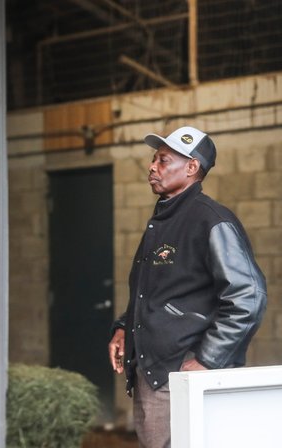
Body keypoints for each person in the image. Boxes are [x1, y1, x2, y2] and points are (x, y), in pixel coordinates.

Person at [108, 126, 267, 448]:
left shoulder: (210, 220)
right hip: (154, 370)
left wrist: (208, 359)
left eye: (164, 161)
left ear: (192, 167)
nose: (152, 167)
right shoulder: (163, 221)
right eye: (154, 160)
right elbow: (153, 291)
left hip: (181, 372)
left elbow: (249, 297)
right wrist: (125, 327)